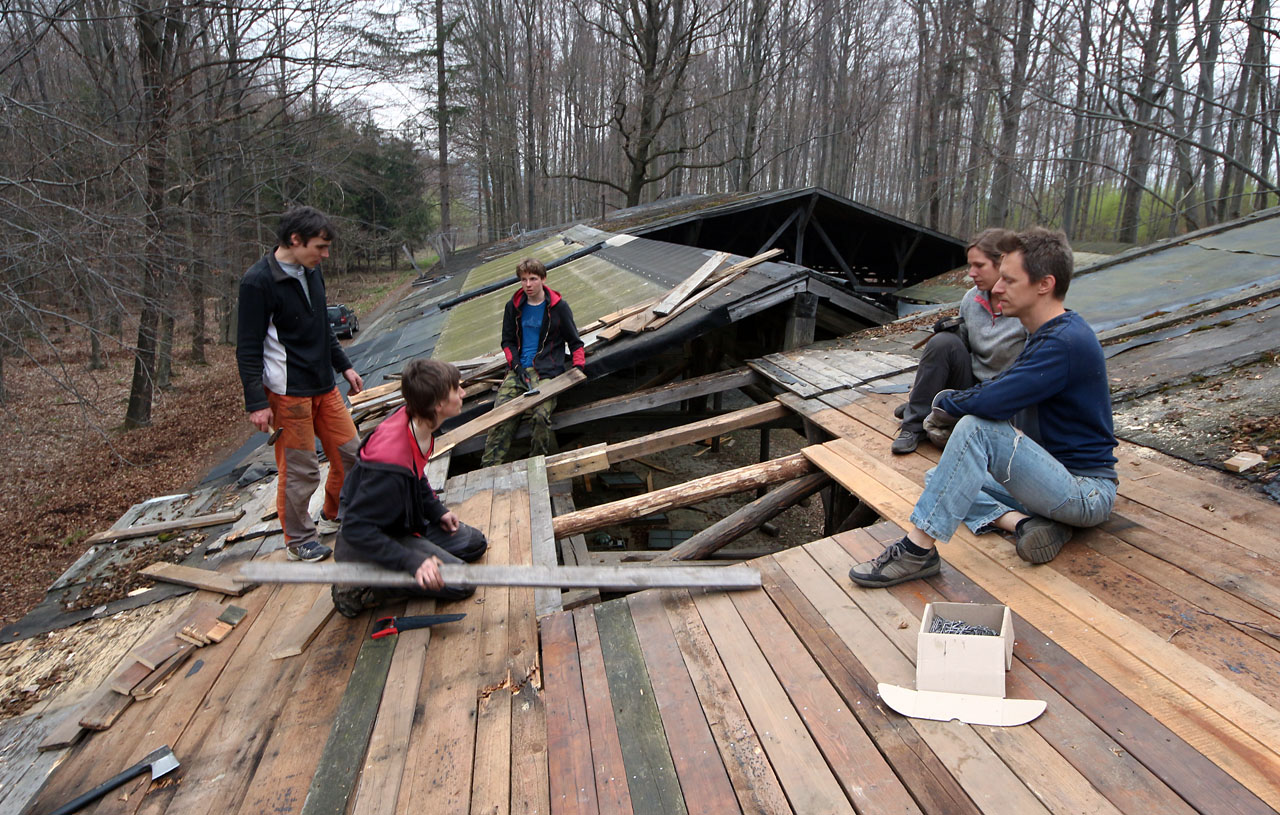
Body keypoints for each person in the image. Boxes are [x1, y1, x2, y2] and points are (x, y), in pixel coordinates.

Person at [850, 227, 1118, 587]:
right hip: (1054, 479)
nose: (996, 288)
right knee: (940, 479)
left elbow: (993, 399)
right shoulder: (1048, 335)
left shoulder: (1065, 343)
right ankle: (1025, 524)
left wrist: (944, 402)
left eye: (1009, 280)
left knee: (975, 428)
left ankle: (917, 552)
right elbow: (999, 390)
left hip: (1085, 491)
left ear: (1044, 284)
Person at [237, 206, 364, 563]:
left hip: (324, 385)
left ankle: (334, 513)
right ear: (295, 240)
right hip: (288, 394)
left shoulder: (311, 272)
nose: (325, 255)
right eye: (320, 247)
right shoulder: (258, 281)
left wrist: (345, 366)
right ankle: (298, 539)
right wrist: (256, 402)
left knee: (352, 454)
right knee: (300, 470)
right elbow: (247, 347)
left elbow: (322, 326)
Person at [332, 358, 488, 617]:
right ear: (438, 404)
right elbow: (355, 529)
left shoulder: (417, 420)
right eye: (456, 389)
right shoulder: (389, 464)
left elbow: (415, 475)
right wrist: (413, 561)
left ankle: (416, 552)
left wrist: (437, 511)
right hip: (366, 543)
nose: (462, 393)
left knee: (474, 544)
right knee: (462, 582)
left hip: (402, 522)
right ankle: (361, 586)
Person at [892, 228, 1026, 454]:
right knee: (942, 342)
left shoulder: (1025, 306)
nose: (971, 273)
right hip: (971, 384)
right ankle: (914, 423)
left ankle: (926, 406)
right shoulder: (971, 298)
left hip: (1004, 395)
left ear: (1002, 263)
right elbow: (960, 349)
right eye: (970, 265)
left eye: (979, 266)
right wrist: (951, 331)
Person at [480, 257, 585, 466]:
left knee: (539, 416)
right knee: (500, 418)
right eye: (524, 279)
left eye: (533, 279)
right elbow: (507, 341)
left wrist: (579, 368)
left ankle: (536, 463)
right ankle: (489, 468)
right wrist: (516, 367)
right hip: (519, 371)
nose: (528, 284)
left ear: (543, 279)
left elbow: (575, 342)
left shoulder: (558, 307)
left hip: (547, 372)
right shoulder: (514, 306)